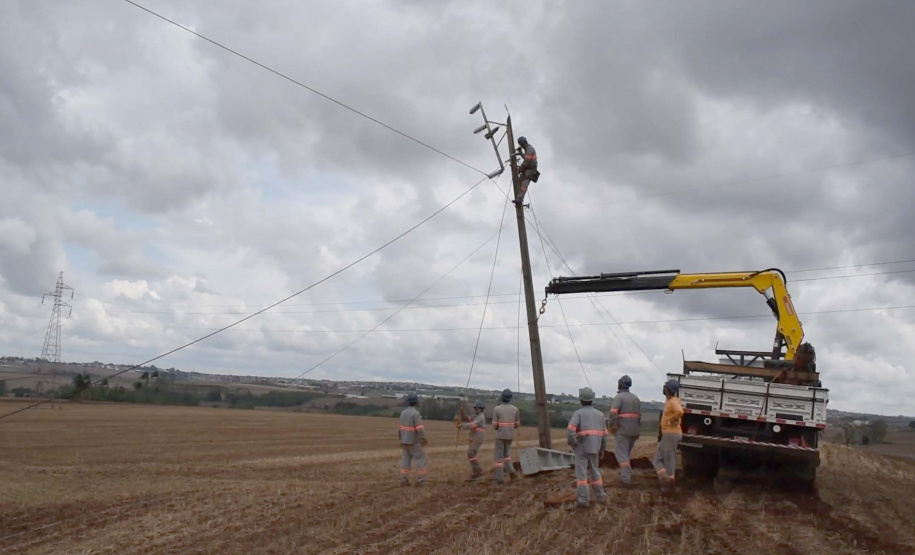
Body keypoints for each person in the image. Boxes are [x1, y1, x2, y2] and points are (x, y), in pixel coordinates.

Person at [567, 387, 608, 508]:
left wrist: (573, 443)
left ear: (581, 399)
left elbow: (570, 430)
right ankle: (601, 496)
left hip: (582, 448)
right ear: (592, 399)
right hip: (595, 447)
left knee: (581, 476)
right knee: (595, 472)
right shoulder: (600, 415)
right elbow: (604, 435)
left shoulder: (578, 413)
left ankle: (584, 500)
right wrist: (602, 449)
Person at [608, 375, 641, 485]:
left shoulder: (619, 397)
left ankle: (626, 478)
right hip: (635, 431)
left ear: (620, 384)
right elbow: (639, 416)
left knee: (621, 454)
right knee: (626, 454)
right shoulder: (635, 398)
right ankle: (628, 475)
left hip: (623, 430)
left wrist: (611, 425)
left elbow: (613, 413)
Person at [653, 379, 684, 491]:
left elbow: (680, 412)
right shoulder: (670, 400)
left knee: (668, 460)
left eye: (665, 387)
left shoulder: (673, 401)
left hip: (671, 434)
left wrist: (672, 419)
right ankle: (666, 479)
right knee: (657, 459)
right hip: (668, 434)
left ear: (668, 390)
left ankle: (669, 485)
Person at [398, 392, 427, 486]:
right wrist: (424, 438)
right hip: (414, 442)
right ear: (415, 401)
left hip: (404, 441)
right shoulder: (416, 413)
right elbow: (419, 428)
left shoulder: (403, 413)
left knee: (405, 461)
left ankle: (404, 480)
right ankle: (421, 481)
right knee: (421, 460)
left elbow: (400, 428)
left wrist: (401, 439)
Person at [492, 389, 521, 484]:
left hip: (500, 436)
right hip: (510, 436)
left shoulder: (497, 409)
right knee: (506, 456)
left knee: (498, 459)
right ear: (510, 398)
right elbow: (517, 424)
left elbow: (495, 425)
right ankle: (512, 473)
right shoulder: (515, 409)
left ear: (502, 397)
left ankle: (500, 479)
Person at [457, 400, 487, 480]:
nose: (475, 410)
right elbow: (467, 419)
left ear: (481, 409)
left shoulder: (481, 417)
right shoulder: (476, 416)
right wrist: (462, 412)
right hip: (474, 437)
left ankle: (478, 470)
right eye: (475, 408)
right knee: (470, 455)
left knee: (470, 452)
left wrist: (462, 426)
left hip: (478, 438)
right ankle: (476, 472)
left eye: (477, 408)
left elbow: (472, 425)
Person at [514, 136, 538, 204]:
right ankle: (518, 196)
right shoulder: (527, 149)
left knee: (524, 183)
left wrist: (521, 168)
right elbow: (526, 157)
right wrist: (520, 152)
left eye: (521, 144)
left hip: (531, 169)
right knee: (520, 182)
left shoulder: (529, 148)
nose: (521, 146)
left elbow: (527, 160)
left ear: (524, 142)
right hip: (528, 168)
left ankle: (519, 199)